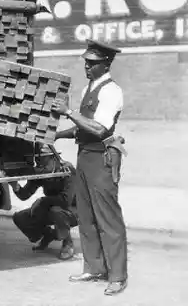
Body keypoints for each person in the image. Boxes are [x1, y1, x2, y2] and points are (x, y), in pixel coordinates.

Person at [52, 39, 128, 296]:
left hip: (102, 159)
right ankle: (94, 267)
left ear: (105, 64)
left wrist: (69, 111)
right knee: (86, 217)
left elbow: (99, 128)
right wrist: (58, 135)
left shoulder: (111, 91)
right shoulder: (89, 88)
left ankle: (117, 276)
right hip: (84, 156)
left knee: (108, 218)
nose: (87, 66)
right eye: (86, 62)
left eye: (93, 63)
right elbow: (83, 126)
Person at [10, 144, 77, 260]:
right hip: (51, 207)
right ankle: (48, 235)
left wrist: (42, 201)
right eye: (37, 160)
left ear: (53, 158)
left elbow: (66, 200)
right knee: (20, 217)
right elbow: (25, 194)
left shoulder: (66, 169)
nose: (39, 163)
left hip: (74, 210)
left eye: (42, 159)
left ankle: (68, 243)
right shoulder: (42, 172)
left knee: (56, 211)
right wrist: (15, 186)